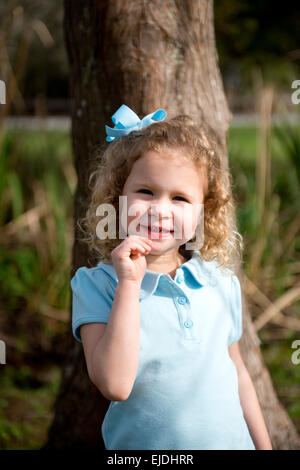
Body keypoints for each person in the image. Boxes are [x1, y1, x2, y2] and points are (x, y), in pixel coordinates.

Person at [70, 104, 272, 450]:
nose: (160, 209)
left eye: (180, 198)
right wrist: (129, 284)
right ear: (118, 197)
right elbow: (115, 384)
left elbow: (238, 373)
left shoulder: (219, 282)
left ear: (202, 213)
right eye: (146, 192)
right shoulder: (97, 285)